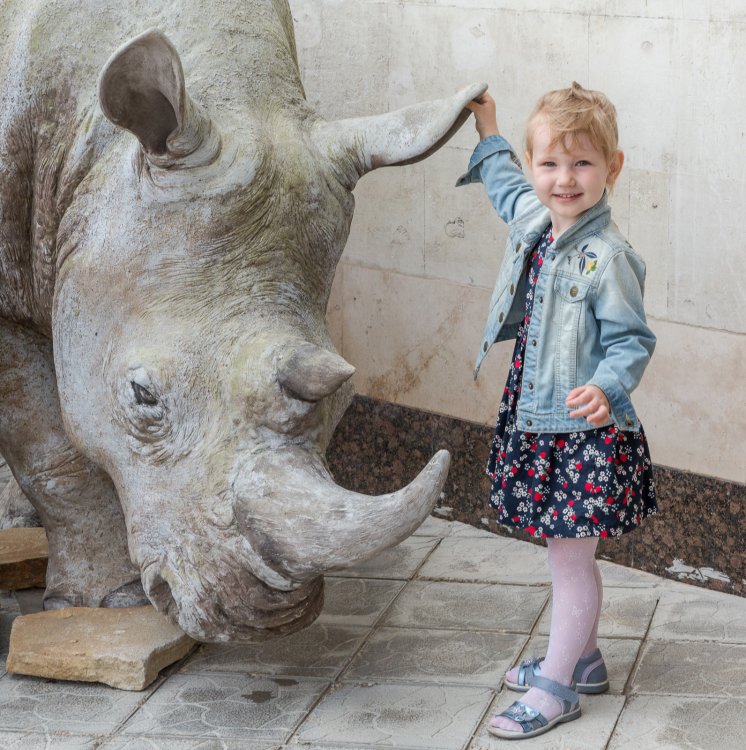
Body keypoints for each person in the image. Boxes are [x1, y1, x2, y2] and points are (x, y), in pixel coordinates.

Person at [456, 83, 657, 740]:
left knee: (570, 561)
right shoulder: (535, 221)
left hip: (582, 433)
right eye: (550, 164)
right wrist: (487, 127)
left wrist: (607, 385)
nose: (563, 179)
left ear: (613, 168)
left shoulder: (609, 257)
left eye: (582, 164)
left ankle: (558, 688)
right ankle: (586, 660)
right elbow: (503, 184)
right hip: (540, 423)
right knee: (560, 551)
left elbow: (632, 339)